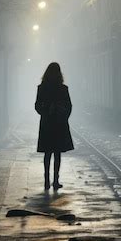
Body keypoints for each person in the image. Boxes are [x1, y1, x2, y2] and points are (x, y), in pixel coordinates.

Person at [35, 62, 74, 190]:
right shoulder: (63, 89)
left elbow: (37, 106)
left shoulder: (42, 88)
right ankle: (55, 180)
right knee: (57, 154)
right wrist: (63, 115)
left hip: (47, 124)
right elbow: (69, 106)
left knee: (48, 153)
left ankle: (47, 180)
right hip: (59, 125)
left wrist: (46, 111)